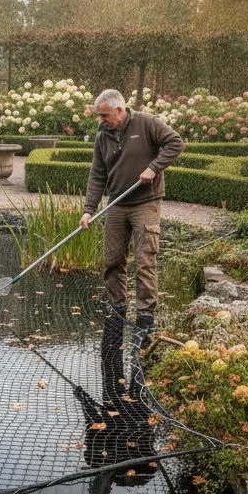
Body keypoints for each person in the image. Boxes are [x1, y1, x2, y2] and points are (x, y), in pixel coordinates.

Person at [79, 89, 184, 340]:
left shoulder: (147, 123)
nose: (100, 120)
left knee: (145, 259)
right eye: (98, 116)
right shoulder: (102, 136)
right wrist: (88, 210)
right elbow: (97, 175)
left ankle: (145, 314)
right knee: (112, 259)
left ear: (119, 110)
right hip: (116, 203)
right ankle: (117, 306)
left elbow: (176, 143)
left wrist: (153, 168)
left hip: (145, 202)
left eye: (104, 115)